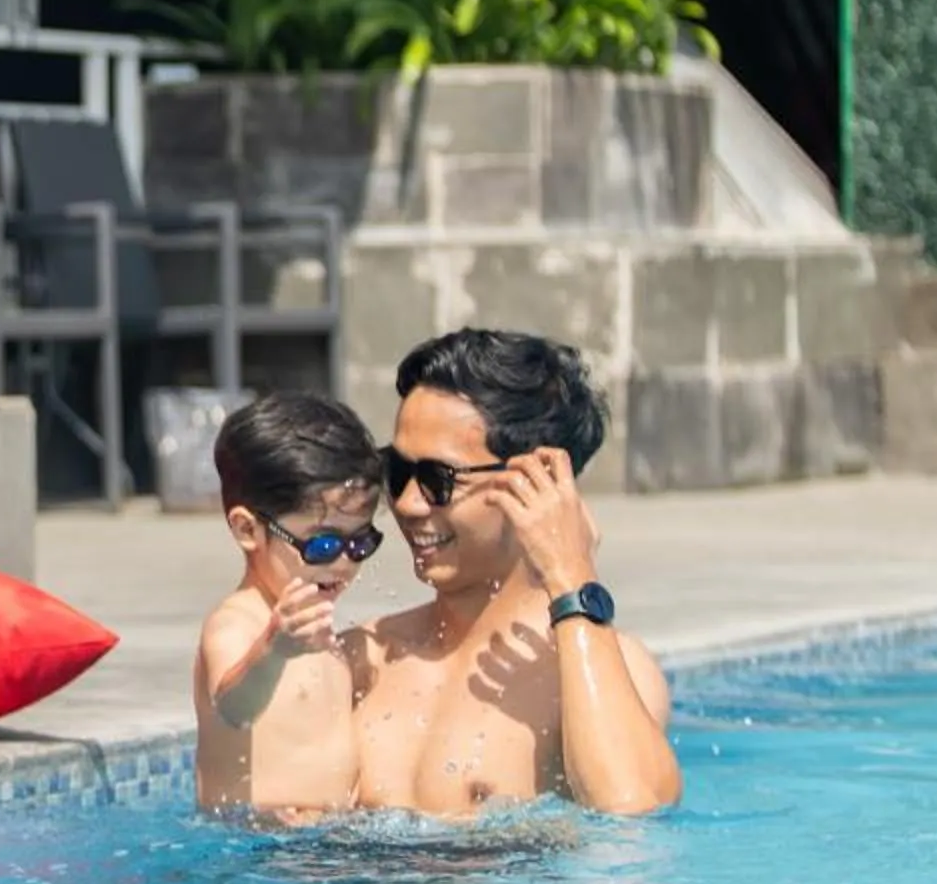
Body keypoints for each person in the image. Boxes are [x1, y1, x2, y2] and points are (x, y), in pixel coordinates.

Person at [348, 330, 679, 818]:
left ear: (537, 481)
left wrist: (571, 576)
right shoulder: (363, 657)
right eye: (396, 471)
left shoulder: (603, 672)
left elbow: (632, 812)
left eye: (438, 480)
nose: (406, 503)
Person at [191, 392, 388, 823]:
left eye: (361, 542)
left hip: (322, 846)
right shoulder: (237, 625)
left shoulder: (317, 633)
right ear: (248, 530)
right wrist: (273, 650)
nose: (345, 561)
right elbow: (235, 709)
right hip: (254, 849)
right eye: (322, 543)